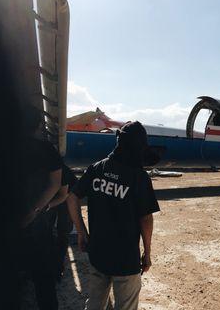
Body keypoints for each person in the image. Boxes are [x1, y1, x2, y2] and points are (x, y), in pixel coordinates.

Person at [67, 121, 160, 310]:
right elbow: (146, 219)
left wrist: (82, 232)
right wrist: (147, 253)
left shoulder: (97, 168)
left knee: (94, 304)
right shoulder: (139, 177)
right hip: (126, 261)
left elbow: (71, 198)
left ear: (118, 141)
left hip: (98, 254)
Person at [19, 107, 65, 310]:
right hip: (38, 226)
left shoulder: (2, 148)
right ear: (39, 125)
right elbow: (55, 184)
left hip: (7, 222)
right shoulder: (46, 149)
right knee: (44, 283)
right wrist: (35, 210)